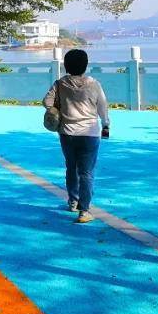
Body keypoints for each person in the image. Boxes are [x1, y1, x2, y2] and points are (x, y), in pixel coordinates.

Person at [42, 49, 110, 224]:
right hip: (89, 133)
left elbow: (46, 101)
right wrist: (106, 125)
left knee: (71, 168)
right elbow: (102, 108)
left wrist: (57, 109)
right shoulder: (94, 84)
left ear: (66, 65)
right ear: (85, 65)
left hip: (67, 133)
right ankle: (84, 211)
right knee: (86, 172)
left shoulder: (60, 84)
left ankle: (73, 202)